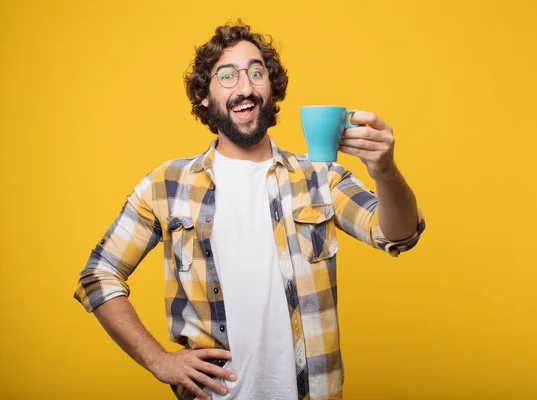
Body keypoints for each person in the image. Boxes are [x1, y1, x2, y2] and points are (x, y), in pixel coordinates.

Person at [74, 20, 426, 400]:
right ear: (204, 96)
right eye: (227, 75)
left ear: (270, 88)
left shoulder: (320, 178)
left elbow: (399, 234)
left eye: (256, 72)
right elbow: (99, 275)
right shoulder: (167, 185)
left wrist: (385, 169)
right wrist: (159, 360)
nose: (245, 87)